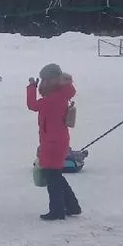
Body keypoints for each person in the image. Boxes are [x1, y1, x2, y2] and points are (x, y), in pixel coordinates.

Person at [27, 64, 81, 221]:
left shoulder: (53, 99)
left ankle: (57, 210)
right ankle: (72, 206)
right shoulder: (61, 95)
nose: (42, 83)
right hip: (56, 140)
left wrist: (31, 87)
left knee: (53, 178)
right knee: (56, 176)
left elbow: (33, 105)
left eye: (44, 80)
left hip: (52, 142)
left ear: (52, 80)